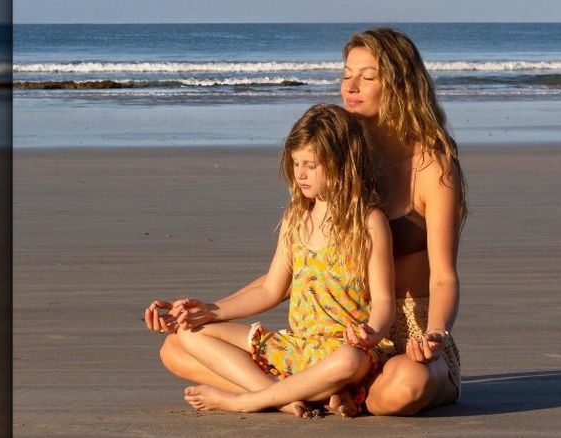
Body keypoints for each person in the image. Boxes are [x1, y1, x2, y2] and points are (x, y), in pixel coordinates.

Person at [147, 26, 467, 416]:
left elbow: (443, 276)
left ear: (399, 85)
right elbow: (288, 277)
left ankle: (285, 393)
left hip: (410, 336)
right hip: (333, 340)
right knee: (175, 348)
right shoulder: (338, 159)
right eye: (346, 75)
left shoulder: (431, 166)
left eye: (367, 77)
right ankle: (310, 392)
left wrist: (434, 334)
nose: (351, 86)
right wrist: (207, 310)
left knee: (404, 387)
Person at [146, 103, 395, 417]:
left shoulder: (368, 222)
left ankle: (248, 400)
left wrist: (371, 332)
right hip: (296, 346)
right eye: (295, 163)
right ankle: (288, 396)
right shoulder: (296, 218)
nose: (300, 174)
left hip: (345, 350)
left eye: (311, 165)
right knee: (186, 335)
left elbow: (385, 300)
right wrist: (208, 312)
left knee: (349, 361)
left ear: (343, 163)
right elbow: (270, 290)